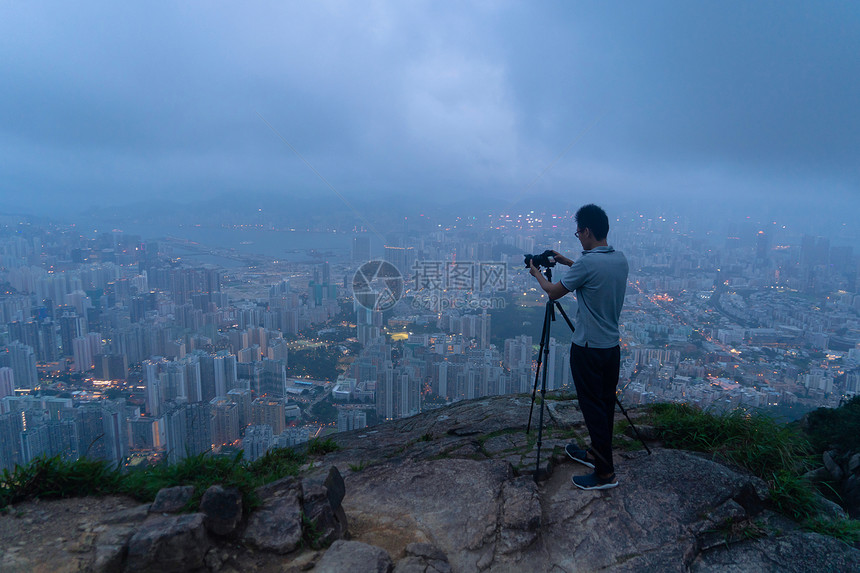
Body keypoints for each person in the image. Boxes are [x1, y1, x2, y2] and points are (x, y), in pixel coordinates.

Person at [529, 204, 628, 490]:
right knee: (605, 405)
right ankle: (598, 455)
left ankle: (605, 474)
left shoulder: (587, 264)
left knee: (592, 408)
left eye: (578, 233)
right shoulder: (619, 260)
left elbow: (553, 292)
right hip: (611, 348)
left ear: (586, 231)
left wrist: (536, 272)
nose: (578, 238)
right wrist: (569, 262)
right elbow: (595, 274)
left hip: (587, 348)